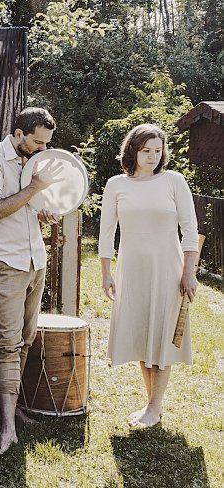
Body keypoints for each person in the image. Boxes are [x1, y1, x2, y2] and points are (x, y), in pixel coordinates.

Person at [0, 107, 62, 456]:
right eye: (37, 142)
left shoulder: (35, 160)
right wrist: (34, 189)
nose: (42, 150)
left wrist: (43, 211)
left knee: (26, 339)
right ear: (18, 134)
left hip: (34, 259)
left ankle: (15, 411)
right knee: (8, 343)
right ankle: (7, 428)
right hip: (7, 262)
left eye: (46, 144)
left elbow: (27, 207)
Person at [99, 124, 199, 428]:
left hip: (168, 269)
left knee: (163, 336)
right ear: (133, 150)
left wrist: (189, 272)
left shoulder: (174, 181)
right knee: (143, 335)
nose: (153, 156)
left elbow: (191, 229)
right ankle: (150, 404)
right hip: (131, 270)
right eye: (146, 150)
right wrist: (106, 273)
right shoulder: (116, 184)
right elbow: (106, 234)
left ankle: (154, 407)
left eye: (158, 150)